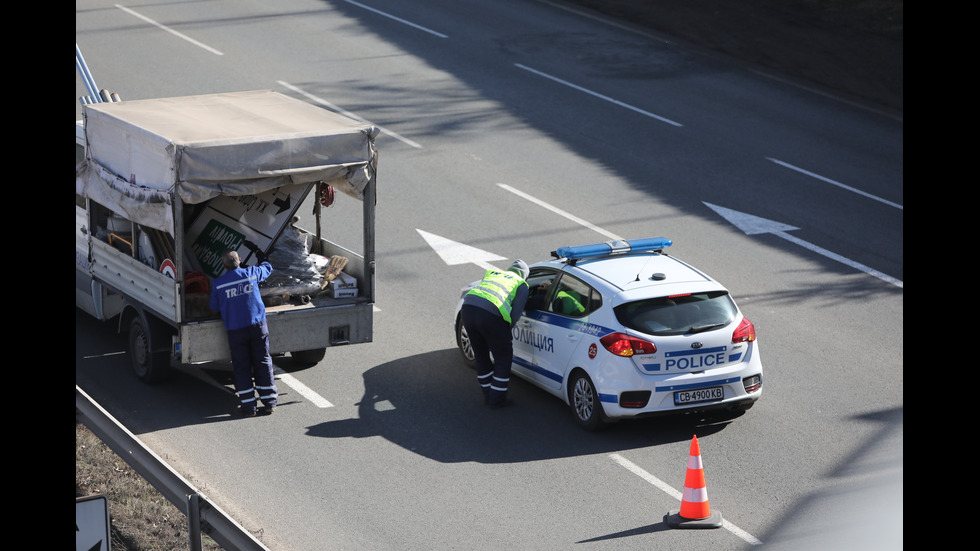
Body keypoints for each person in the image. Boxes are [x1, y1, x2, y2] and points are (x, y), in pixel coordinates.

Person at [209, 242, 279, 417]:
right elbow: (267, 267)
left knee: (242, 366)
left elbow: (214, 307)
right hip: (257, 326)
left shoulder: (218, 284)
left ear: (223, 265)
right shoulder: (252, 274)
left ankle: (249, 407)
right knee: (263, 361)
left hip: (236, 330)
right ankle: (269, 402)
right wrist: (258, 252)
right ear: (239, 260)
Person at [460, 260, 530, 409]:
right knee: (503, 357)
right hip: (489, 314)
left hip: (467, 308)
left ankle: (487, 394)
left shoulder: (496, 274)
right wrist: (505, 330)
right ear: (525, 275)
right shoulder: (521, 284)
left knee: (481, 354)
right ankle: (497, 399)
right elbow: (516, 314)